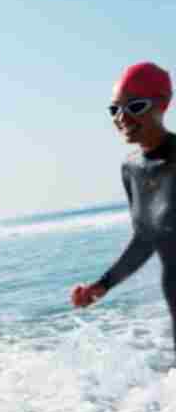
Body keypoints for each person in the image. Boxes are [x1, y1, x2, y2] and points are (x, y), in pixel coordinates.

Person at [71, 62, 176, 359]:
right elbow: (146, 238)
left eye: (135, 106)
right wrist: (103, 285)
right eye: (114, 109)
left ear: (163, 104)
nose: (122, 117)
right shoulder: (131, 169)